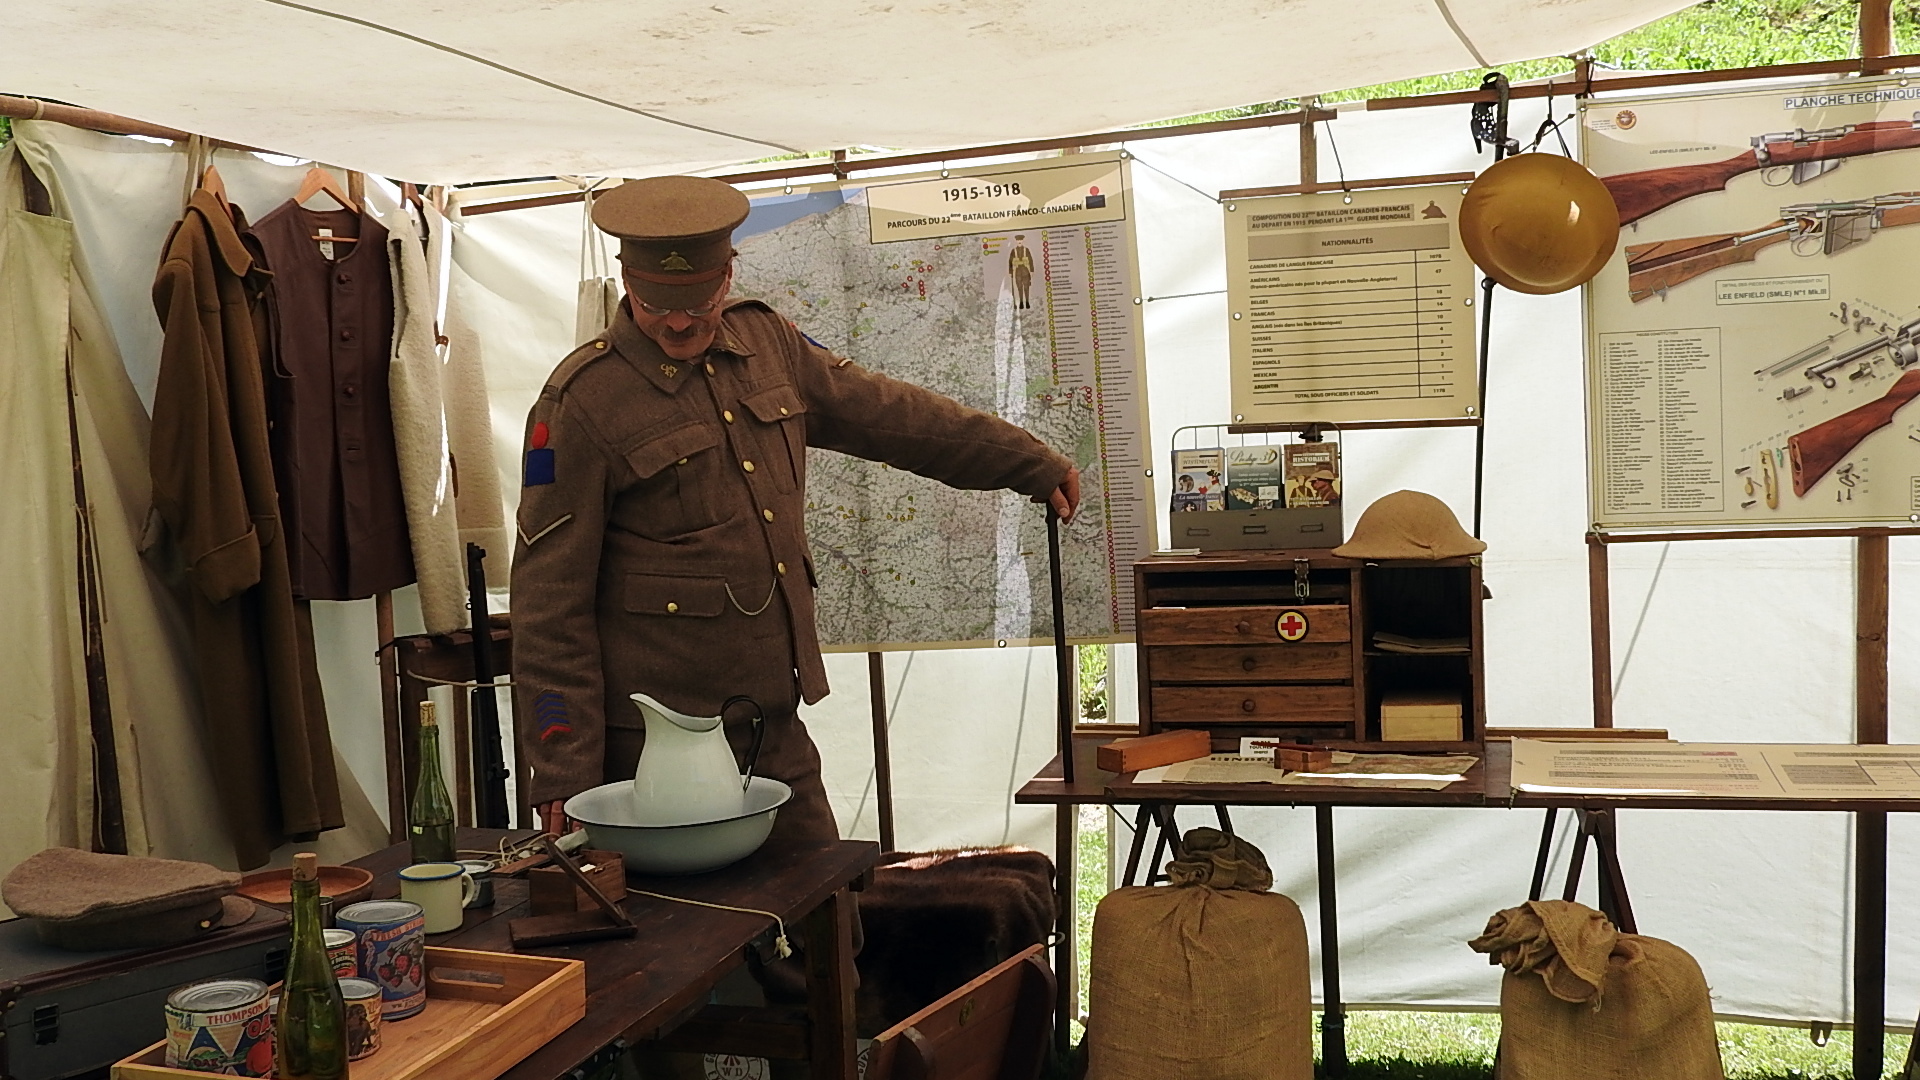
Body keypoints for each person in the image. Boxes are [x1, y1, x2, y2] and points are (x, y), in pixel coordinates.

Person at [512, 176, 1080, 843]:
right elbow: (549, 601)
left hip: (769, 728)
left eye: (697, 301)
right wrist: (562, 771)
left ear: (728, 273)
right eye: (654, 301)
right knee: (690, 938)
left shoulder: (765, 343)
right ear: (625, 280)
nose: (677, 321)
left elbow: (891, 417)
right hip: (648, 752)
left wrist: (1026, 462)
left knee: (829, 919)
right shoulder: (583, 400)